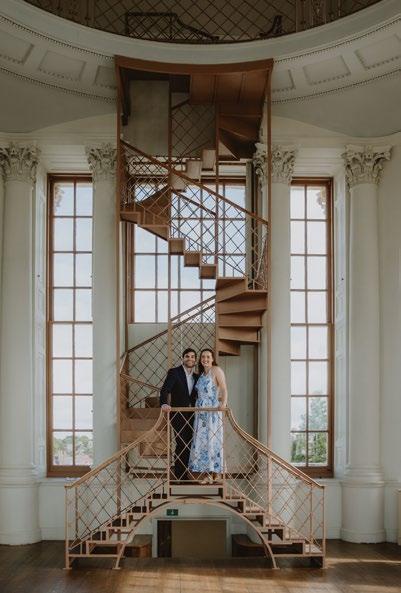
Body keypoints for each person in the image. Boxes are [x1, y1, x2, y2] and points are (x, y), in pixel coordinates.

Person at [188, 348, 228, 484]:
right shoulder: (201, 374)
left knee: (213, 439)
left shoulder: (216, 370)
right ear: (200, 360)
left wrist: (223, 404)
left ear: (212, 359)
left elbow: (224, 388)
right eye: (203, 357)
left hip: (211, 411)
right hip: (201, 413)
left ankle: (215, 473)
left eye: (208, 357)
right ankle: (208, 474)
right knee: (202, 441)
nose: (205, 359)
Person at [160, 348, 198, 481]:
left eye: (192, 357)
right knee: (181, 442)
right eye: (187, 356)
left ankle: (186, 472)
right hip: (178, 414)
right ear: (183, 358)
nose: (190, 359)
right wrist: (164, 404)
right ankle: (179, 473)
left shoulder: (196, 376)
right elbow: (165, 390)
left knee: (189, 443)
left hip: (192, 415)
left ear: (195, 360)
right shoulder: (174, 372)